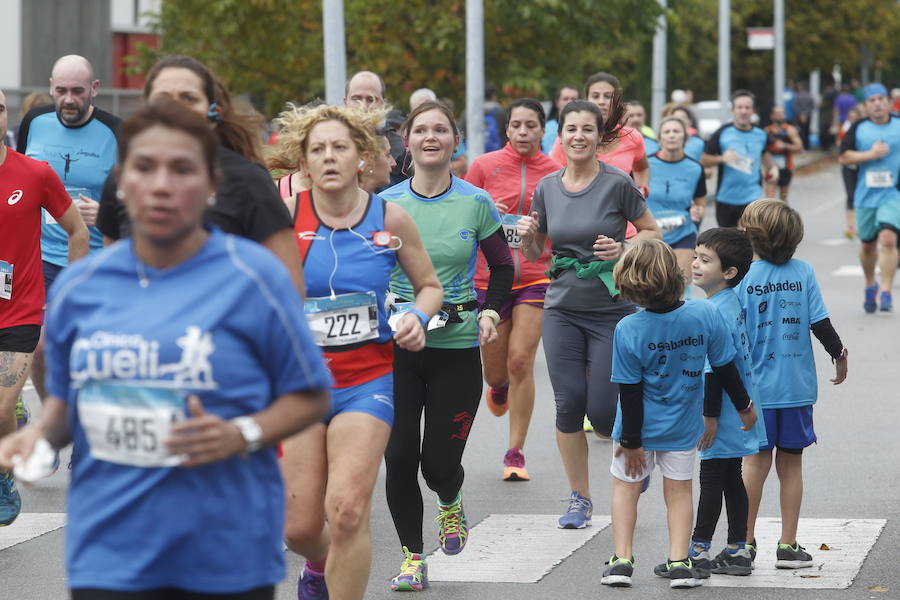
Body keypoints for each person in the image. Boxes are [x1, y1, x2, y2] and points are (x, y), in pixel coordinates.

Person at [0, 100, 334, 599]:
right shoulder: (81, 288)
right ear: (122, 184)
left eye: (181, 169)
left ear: (210, 186)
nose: (161, 184)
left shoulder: (253, 277)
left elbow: (312, 394)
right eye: (144, 167)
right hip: (108, 552)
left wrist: (240, 434)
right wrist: (40, 435)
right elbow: (68, 411)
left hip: (226, 554)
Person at [270, 104, 443, 600]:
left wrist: (416, 316)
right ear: (303, 162)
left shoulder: (389, 217)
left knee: (347, 510)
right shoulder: (285, 218)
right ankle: (321, 566)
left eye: (339, 147)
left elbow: (429, 287)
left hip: (365, 385)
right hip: (299, 388)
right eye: (317, 149)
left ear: (362, 157)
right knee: (299, 528)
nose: (328, 158)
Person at [381, 100, 512, 592]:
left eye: (441, 130)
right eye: (422, 130)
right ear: (408, 140)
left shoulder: (475, 202)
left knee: (437, 464)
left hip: (456, 349)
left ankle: (449, 498)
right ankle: (413, 557)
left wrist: (492, 311)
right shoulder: (386, 203)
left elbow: (502, 267)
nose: (431, 136)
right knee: (398, 457)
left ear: (455, 142)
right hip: (398, 350)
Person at [516, 100, 660, 529]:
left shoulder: (617, 183)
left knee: (601, 412)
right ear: (560, 136)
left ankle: (637, 450)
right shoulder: (547, 186)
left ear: (600, 138)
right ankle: (579, 497)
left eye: (587, 130)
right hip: (561, 307)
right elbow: (534, 250)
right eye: (570, 129)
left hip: (610, 309)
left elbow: (653, 233)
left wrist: (625, 248)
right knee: (567, 405)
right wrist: (525, 236)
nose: (578, 136)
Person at [602, 239, 757, 590]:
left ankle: (622, 560)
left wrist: (631, 441)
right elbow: (725, 366)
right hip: (683, 428)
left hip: (636, 431)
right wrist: (744, 406)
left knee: (625, 489)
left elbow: (629, 390)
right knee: (679, 493)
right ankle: (679, 561)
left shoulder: (628, 328)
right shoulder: (704, 314)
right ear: (676, 274)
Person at [96, 55, 304, 294]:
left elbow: (289, 288)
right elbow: (113, 276)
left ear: (212, 113)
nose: (175, 108)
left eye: (188, 98)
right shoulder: (123, 178)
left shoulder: (248, 180)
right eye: (163, 98)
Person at [737, 199, 848, 571]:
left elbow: (731, 334)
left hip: (755, 392)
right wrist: (840, 354)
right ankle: (787, 545)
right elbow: (821, 323)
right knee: (792, 466)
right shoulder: (804, 272)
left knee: (754, 465)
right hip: (796, 389)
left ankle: (745, 542)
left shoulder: (742, 279)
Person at [0, 88, 89, 524]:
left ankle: (1, 477)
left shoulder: (34, 174)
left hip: (19, 312)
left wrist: (69, 295)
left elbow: (77, 230)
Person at [464, 98, 561, 481]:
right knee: (496, 371)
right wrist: (488, 209)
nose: (523, 132)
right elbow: (462, 217)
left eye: (531, 125)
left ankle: (515, 452)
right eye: (516, 125)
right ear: (507, 129)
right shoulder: (484, 166)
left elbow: (563, 223)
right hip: (490, 280)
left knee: (522, 360)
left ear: (542, 130)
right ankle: (498, 386)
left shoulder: (555, 173)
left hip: (537, 275)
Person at [17, 55, 120, 405]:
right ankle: (52, 417)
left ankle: (82, 432)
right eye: (61, 90)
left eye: (78, 91)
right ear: (50, 87)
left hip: (93, 259)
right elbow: (17, 178)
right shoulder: (35, 121)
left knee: (85, 351)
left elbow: (136, 198)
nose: (69, 99)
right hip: (40, 257)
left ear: (94, 89)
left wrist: (106, 212)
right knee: (40, 348)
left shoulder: (116, 131)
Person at [673, 228, 766, 578]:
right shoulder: (729, 302)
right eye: (695, 257)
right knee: (730, 477)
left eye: (705, 260)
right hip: (738, 405)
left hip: (723, 410)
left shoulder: (712, 312)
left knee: (712, 477)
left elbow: (714, 371)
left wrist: (708, 417)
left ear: (729, 273)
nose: (695, 264)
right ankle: (738, 550)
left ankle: (697, 551)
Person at [838, 83, 900, 313]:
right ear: (866, 105)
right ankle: (869, 284)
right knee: (867, 246)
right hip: (865, 195)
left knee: (888, 239)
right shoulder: (858, 127)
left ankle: (886, 290)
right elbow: (843, 157)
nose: (876, 103)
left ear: (888, 102)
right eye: (871, 100)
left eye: (880, 98)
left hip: (893, 193)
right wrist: (870, 154)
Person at [550, 73, 650, 196]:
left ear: (617, 102)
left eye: (608, 96)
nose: (601, 102)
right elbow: (552, 177)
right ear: (586, 100)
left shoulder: (632, 136)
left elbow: (642, 168)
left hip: (619, 211)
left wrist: (641, 189)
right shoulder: (571, 138)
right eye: (595, 96)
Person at [701, 90, 779, 227]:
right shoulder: (723, 132)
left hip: (752, 196)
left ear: (752, 111)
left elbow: (765, 155)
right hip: (726, 197)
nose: (743, 111)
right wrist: (722, 159)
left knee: (749, 238)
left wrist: (773, 168)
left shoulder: (761, 133)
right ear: (733, 110)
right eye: (740, 107)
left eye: (747, 107)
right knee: (728, 243)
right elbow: (704, 159)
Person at [646, 116, 706, 287]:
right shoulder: (646, 164)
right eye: (667, 131)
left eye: (676, 131)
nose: (672, 135)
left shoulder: (694, 168)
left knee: (679, 285)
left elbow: (700, 203)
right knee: (651, 287)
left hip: (682, 233)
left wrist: (698, 211)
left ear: (684, 138)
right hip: (651, 233)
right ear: (660, 138)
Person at [344, 71, 408, 186]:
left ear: (383, 104)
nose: (363, 106)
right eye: (356, 98)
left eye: (371, 99)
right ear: (345, 102)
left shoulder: (398, 151)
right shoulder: (330, 144)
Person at [764, 105, 804, 202]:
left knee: (783, 199)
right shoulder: (767, 131)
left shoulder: (789, 130)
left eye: (782, 113)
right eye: (777, 114)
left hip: (786, 168)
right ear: (772, 116)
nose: (780, 116)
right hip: (770, 168)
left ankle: (783, 217)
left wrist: (785, 146)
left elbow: (799, 147)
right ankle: (770, 217)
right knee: (770, 200)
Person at [838, 106, 862, 238]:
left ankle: (861, 224)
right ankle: (850, 227)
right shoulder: (844, 129)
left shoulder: (863, 130)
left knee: (861, 195)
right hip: (848, 167)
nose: (852, 119)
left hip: (861, 167)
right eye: (850, 117)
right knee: (851, 196)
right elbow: (840, 148)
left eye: (855, 117)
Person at [359, 128, 398, 194]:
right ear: (366, 159)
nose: (394, 163)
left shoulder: (386, 203)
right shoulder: (338, 201)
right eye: (387, 155)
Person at [542, 85, 578, 154]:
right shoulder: (546, 128)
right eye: (565, 99)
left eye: (574, 99)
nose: (570, 102)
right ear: (557, 102)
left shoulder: (585, 128)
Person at [793, 82, 815, 149]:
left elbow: (795, 107)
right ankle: (807, 146)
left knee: (801, 131)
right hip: (808, 116)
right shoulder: (809, 96)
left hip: (799, 117)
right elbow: (812, 106)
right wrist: (806, 114)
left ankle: (801, 146)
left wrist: (801, 115)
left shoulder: (797, 96)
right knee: (807, 131)